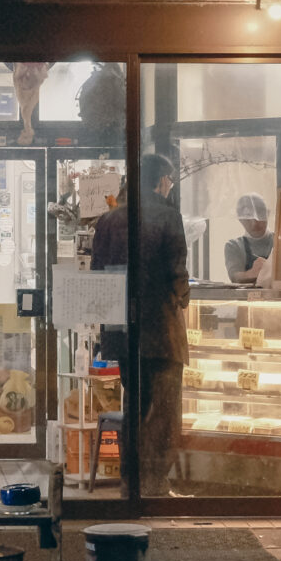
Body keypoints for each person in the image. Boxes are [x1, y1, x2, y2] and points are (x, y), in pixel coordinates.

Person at [92, 151, 189, 493]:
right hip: (160, 331)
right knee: (162, 413)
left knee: (133, 407)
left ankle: (129, 483)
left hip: (121, 333)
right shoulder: (167, 215)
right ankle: (153, 485)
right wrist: (184, 297)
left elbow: (98, 278)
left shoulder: (108, 220)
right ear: (162, 181)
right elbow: (176, 273)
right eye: (170, 180)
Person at [222, 192, 276, 285]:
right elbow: (234, 277)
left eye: (259, 216)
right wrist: (253, 272)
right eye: (248, 218)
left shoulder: (280, 241)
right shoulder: (233, 246)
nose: (254, 223)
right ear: (240, 219)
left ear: (268, 213)